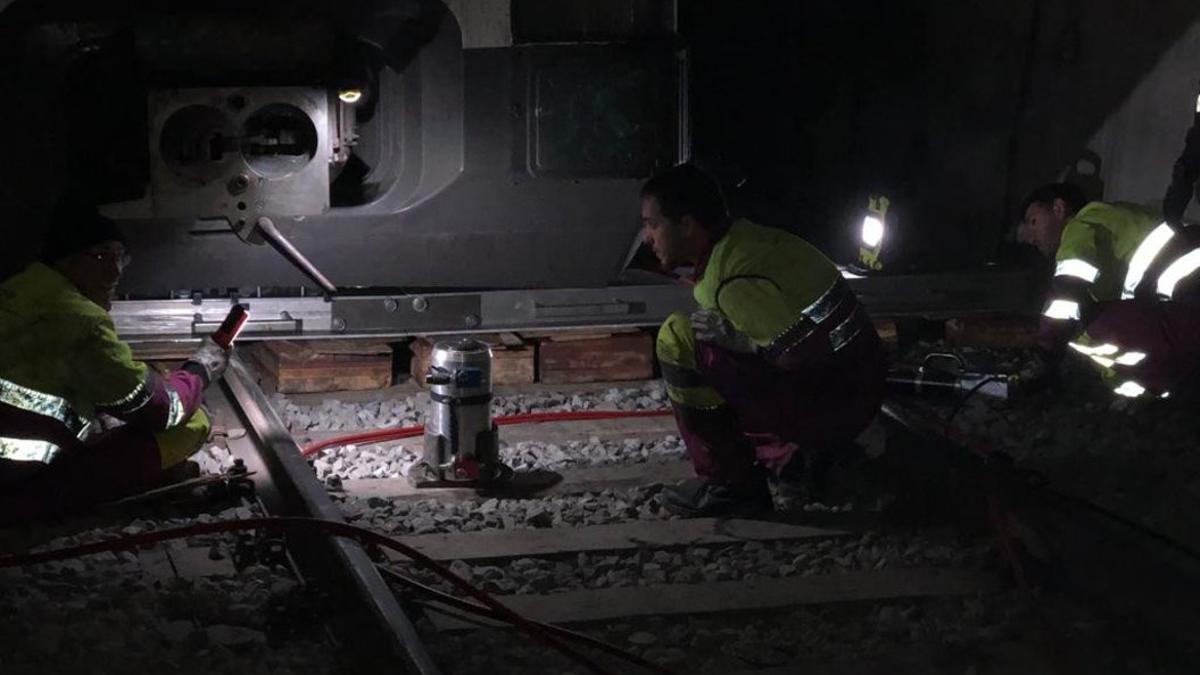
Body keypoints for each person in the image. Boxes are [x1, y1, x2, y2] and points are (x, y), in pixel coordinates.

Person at [642, 164, 887, 516]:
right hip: (858, 386)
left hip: (838, 405)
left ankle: (735, 483)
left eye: (653, 224)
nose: (647, 236)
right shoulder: (747, 242)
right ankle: (807, 457)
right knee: (709, 342)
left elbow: (799, 356)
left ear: (687, 225)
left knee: (677, 339)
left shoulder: (730, 280)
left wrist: (746, 346)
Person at [0, 197, 230, 523]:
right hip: (21, 484)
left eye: (120, 257)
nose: (114, 271)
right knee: (192, 423)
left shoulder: (17, 288)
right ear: (65, 260)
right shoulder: (81, 320)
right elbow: (163, 410)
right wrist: (202, 368)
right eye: (99, 256)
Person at [1016, 183, 1200, 398]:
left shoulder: (1082, 224)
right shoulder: (1109, 223)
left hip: (1190, 292)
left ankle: (1164, 391)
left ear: (1059, 208)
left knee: (1093, 329)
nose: (1030, 238)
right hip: (1186, 298)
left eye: (1033, 221)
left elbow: (1066, 295)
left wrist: (1045, 354)